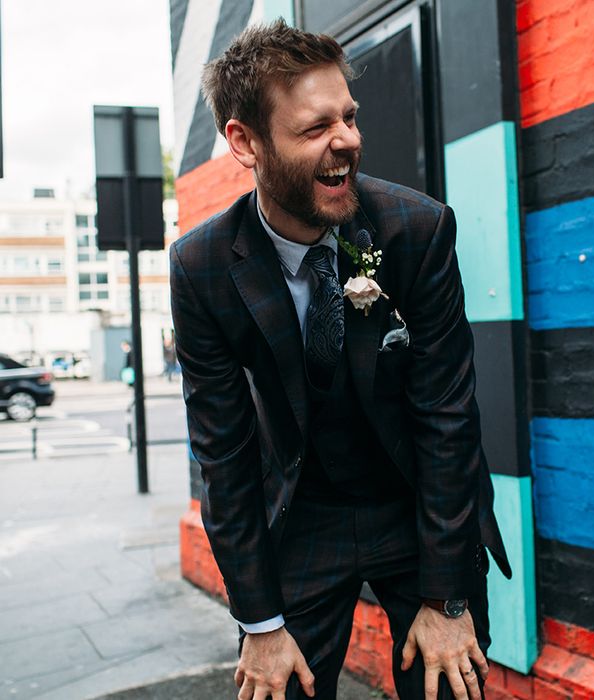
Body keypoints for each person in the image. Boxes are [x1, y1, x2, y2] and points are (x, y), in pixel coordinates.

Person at [170, 19, 511, 700]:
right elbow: (225, 454)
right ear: (246, 142)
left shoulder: (416, 230)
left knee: (452, 684)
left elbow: (448, 417)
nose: (348, 141)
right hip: (304, 513)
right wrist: (259, 624)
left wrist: (447, 601)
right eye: (314, 127)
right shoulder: (202, 265)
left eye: (349, 118)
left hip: (420, 503)